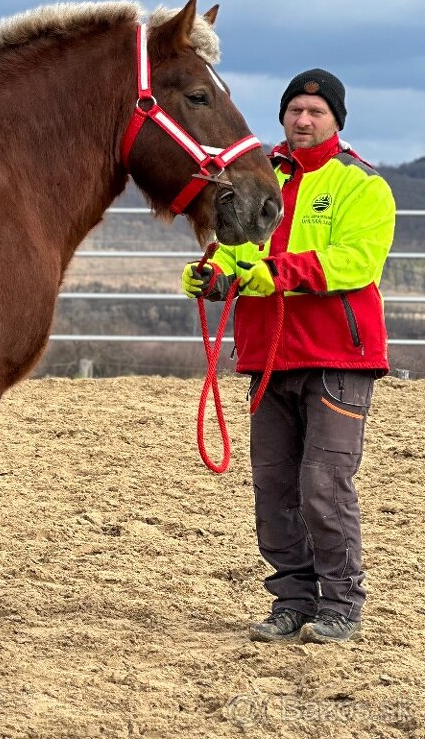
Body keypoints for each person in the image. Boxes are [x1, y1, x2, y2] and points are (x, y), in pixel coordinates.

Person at [181, 68, 396, 644]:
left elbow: (357, 260)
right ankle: (292, 601)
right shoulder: (261, 180)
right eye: (295, 110)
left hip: (337, 358)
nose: (303, 120)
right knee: (274, 488)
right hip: (268, 355)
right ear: (282, 116)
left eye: (316, 112)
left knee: (324, 485)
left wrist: (277, 273)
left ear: (335, 121)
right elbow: (237, 253)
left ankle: (341, 604)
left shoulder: (361, 184)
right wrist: (215, 276)